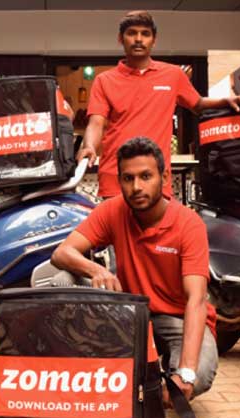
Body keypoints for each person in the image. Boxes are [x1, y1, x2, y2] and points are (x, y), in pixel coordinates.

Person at [51, 136, 217, 402]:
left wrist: (185, 371)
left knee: (195, 378)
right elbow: (62, 253)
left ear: (164, 177)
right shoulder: (113, 210)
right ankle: (84, 372)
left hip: (178, 320)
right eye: (128, 179)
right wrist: (97, 270)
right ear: (119, 181)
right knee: (62, 279)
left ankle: (154, 383)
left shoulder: (189, 224)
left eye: (145, 176)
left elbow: (196, 300)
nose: (137, 187)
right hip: (130, 315)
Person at [78, 10, 240, 199]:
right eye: (132, 33)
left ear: (154, 40)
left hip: (156, 178)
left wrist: (226, 100)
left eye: (145, 34)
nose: (138, 39)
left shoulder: (173, 75)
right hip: (116, 176)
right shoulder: (104, 80)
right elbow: (96, 123)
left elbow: (197, 103)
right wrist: (89, 146)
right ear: (121, 39)